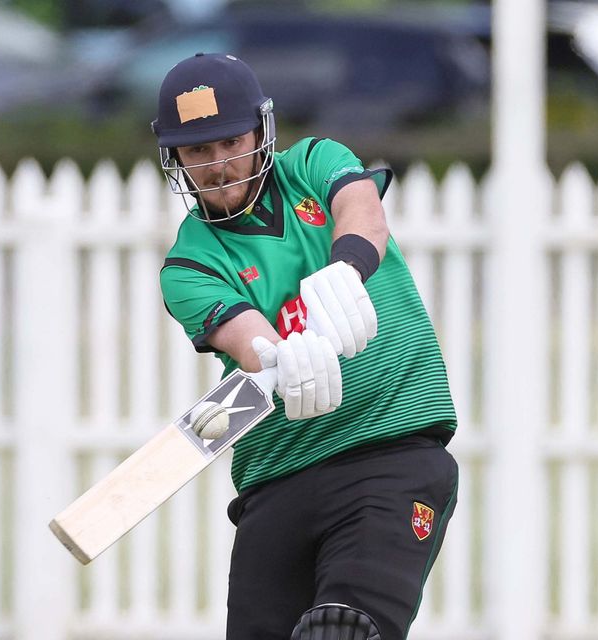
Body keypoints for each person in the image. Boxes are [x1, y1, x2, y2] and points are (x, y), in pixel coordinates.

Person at [153, 52, 458, 640]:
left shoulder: (315, 162)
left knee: (341, 631)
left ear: (262, 131)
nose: (219, 167)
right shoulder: (188, 264)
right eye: (198, 152)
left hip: (391, 454)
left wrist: (346, 269)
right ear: (176, 160)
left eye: (231, 142)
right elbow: (243, 335)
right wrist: (276, 355)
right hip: (277, 480)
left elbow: (363, 211)